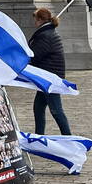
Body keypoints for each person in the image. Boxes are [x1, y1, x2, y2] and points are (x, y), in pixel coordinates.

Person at [27, 7, 72, 136]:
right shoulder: (47, 32)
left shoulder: (45, 35)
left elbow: (35, 55)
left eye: (35, 19)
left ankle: (68, 137)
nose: (34, 22)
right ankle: (39, 136)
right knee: (38, 107)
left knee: (56, 110)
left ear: (40, 20)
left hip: (50, 78)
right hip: (47, 76)